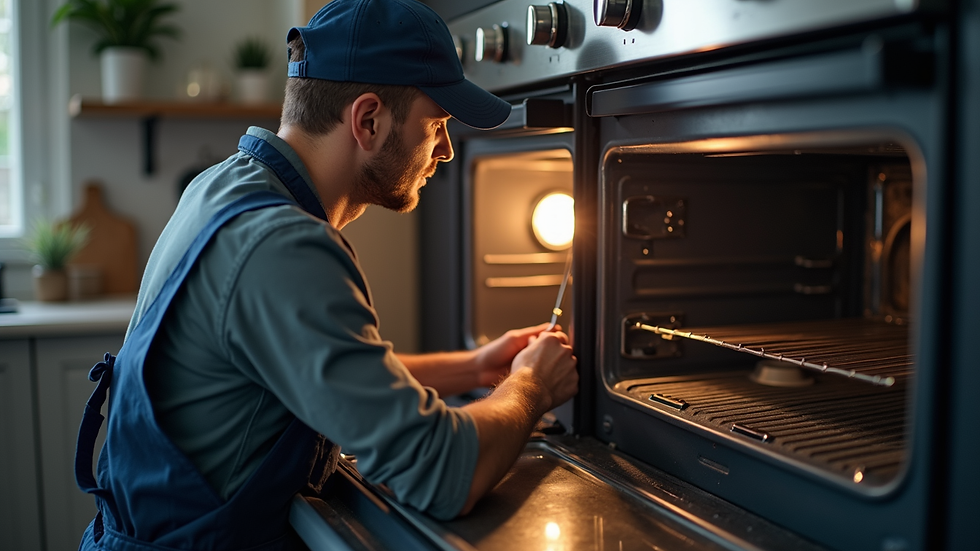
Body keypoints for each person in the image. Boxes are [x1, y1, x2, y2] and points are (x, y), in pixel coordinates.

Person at [74, 1, 579, 549]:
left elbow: (305, 372)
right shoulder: (285, 247)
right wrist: (532, 385)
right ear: (367, 120)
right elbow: (441, 475)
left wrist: (475, 366)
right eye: (435, 125)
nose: (447, 151)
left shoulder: (224, 186)